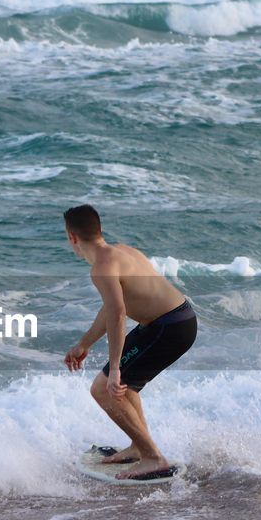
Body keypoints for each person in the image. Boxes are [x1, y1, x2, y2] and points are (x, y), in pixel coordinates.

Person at [61, 204, 198, 480]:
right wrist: (84, 344)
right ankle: (139, 448)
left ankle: (153, 458)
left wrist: (115, 369)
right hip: (176, 320)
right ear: (98, 229)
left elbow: (118, 314)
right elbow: (111, 308)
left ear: (72, 238)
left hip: (168, 327)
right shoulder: (121, 251)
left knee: (104, 389)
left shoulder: (102, 267)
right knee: (126, 388)